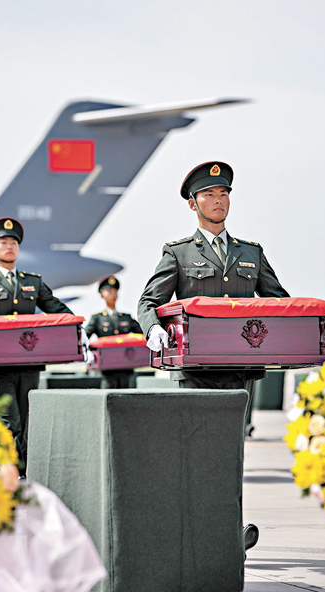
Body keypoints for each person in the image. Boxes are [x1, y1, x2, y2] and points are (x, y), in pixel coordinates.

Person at [137, 161, 290, 552]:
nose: (218, 201)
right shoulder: (178, 252)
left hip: (240, 369)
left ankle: (228, 531)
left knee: (232, 454)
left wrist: (299, 327)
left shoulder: (251, 252)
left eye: (223, 194)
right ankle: (195, 531)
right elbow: (148, 301)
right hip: (196, 371)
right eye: (209, 195)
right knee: (198, 453)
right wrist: (153, 329)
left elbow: (278, 302)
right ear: (193, 204)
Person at [0, 217, 75, 465]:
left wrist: (74, 332)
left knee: (28, 422)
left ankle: (26, 471)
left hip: (29, 363)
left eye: (13, 243)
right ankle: (9, 468)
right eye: (3, 242)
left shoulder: (32, 281)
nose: (9, 247)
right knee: (8, 421)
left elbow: (59, 310)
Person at [85, 275, 143, 388]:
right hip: (107, 368)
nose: (113, 294)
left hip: (127, 366)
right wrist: (88, 352)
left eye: (115, 291)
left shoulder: (126, 317)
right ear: (102, 294)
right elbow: (84, 337)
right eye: (109, 291)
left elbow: (143, 334)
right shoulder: (97, 318)